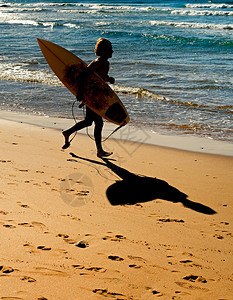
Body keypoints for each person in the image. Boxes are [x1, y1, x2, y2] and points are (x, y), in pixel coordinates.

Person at [62, 38, 115, 158]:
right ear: (102, 51)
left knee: (89, 121)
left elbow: (99, 77)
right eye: (109, 49)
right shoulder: (97, 62)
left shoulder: (105, 63)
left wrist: (109, 79)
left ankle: (68, 132)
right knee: (98, 122)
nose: (112, 51)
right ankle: (99, 150)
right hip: (91, 95)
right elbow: (83, 76)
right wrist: (81, 94)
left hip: (95, 95)